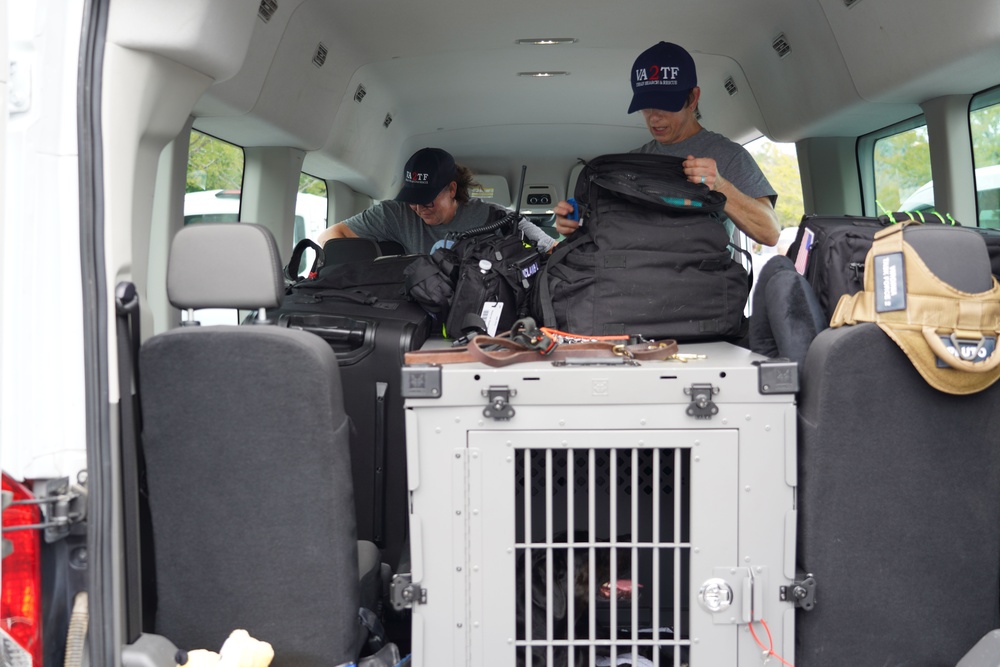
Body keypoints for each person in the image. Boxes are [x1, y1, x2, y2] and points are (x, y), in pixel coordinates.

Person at [554, 41, 780, 247]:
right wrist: (573, 226)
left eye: (665, 104)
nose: (654, 117)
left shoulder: (728, 156)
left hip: (704, 285)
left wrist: (720, 185)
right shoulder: (633, 162)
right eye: (646, 106)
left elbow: (770, 233)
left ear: (692, 98)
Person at [316, 147, 558, 255]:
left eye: (428, 200)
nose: (420, 208)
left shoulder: (496, 218)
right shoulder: (395, 214)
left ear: (452, 189)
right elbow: (330, 236)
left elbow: (552, 249)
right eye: (413, 200)